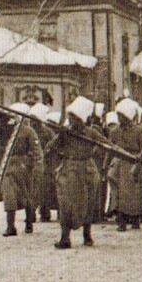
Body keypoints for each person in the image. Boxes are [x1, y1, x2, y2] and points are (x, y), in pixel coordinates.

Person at [42, 97, 104, 249]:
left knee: (87, 204)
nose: (70, 121)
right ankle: (65, 238)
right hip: (68, 171)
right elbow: (49, 149)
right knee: (65, 204)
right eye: (69, 118)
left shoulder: (91, 133)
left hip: (86, 171)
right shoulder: (66, 133)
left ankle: (87, 235)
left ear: (81, 119)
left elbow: (107, 145)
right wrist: (61, 137)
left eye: (73, 118)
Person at [0, 103, 43, 237]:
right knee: (9, 195)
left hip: (24, 166)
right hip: (9, 165)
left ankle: (29, 223)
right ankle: (10, 226)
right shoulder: (7, 130)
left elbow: (36, 150)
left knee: (27, 196)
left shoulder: (29, 131)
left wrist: (36, 166)